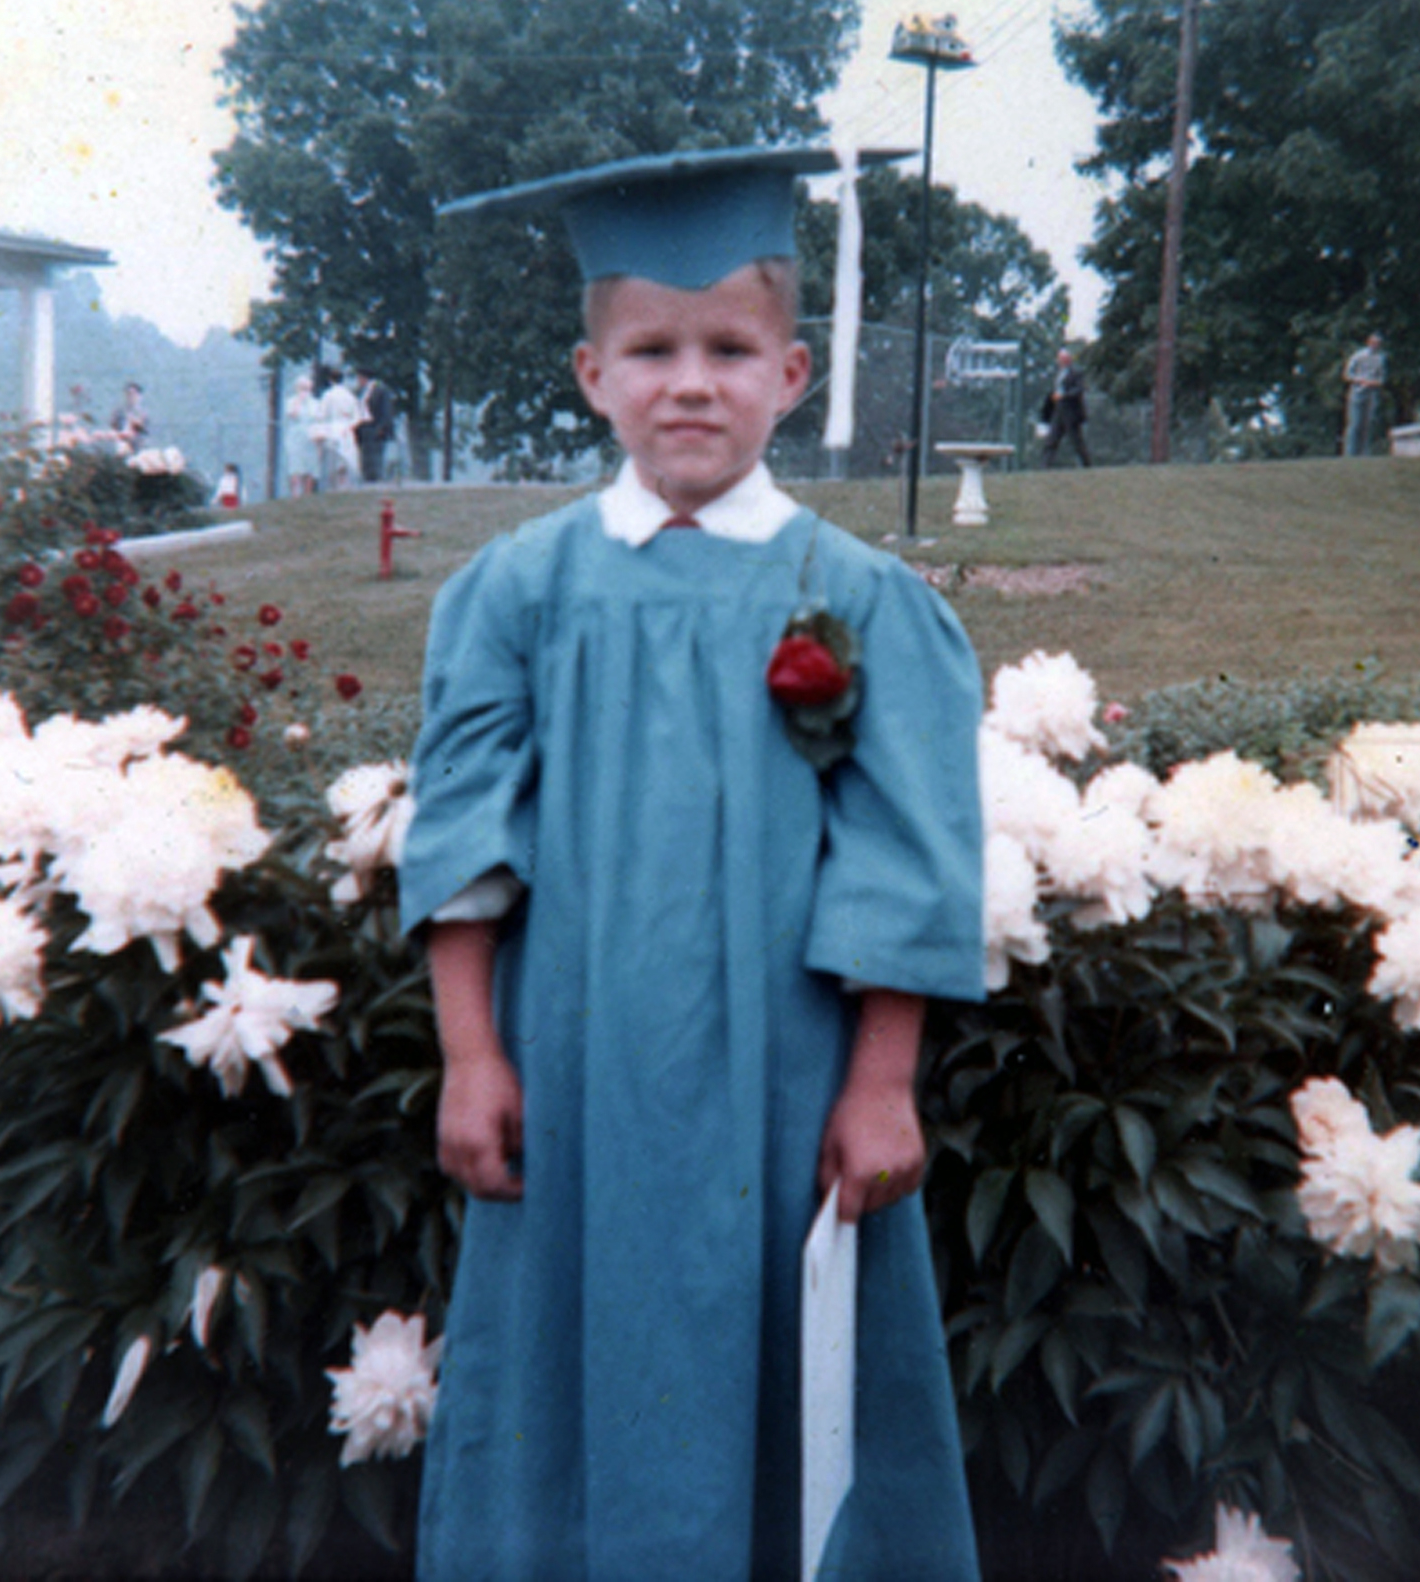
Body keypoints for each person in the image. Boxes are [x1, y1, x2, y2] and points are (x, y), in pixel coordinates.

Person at [399, 146, 985, 1582]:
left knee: (800, 1399)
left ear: (791, 375)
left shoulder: (851, 598)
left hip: (789, 1096)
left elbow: (903, 855)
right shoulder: (522, 589)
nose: (690, 384)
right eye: (651, 349)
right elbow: (467, 836)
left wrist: (883, 1081)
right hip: (574, 1085)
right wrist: (472, 1059)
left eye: (729, 349)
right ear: (592, 374)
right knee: (563, 1383)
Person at [1037, 345, 1091, 468]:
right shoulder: (1058, 374)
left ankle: (1087, 465)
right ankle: (1044, 467)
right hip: (1058, 412)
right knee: (1051, 440)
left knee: (1077, 442)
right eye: (1059, 358)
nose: (1060, 361)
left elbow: (1080, 389)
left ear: (1068, 359)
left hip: (1071, 413)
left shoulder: (1076, 373)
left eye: (1063, 358)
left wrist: (1064, 395)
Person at [312, 365, 363, 489]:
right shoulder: (350, 396)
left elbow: (321, 414)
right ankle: (345, 483)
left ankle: (335, 485)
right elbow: (358, 417)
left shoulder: (328, 395)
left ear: (330, 380)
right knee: (347, 458)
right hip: (347, 430)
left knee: (332, 459)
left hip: (333, 428)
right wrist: (350, 427)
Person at [1342, 332, 1388, 457]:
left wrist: (1373, 383)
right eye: (1373, 343)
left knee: (1369, 422)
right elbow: (1347, 375)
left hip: (1372, 392)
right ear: (1368, 342)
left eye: (1378, 344)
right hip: (1357, 392)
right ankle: (1350, 453)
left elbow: (1382, 378)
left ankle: (1365, 453)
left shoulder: (1381, 358)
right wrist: (1360, 380)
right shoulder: (1358, 356)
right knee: (1355, 423)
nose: (1375, 345)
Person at [354, 366, 397, 483]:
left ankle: (377, 479)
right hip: (364, 427)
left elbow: (386, 410)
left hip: (376, 427)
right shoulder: (360, 392)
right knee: (365, 457)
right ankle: (367, 478)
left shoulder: (380, 390)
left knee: (376, 456)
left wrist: (382, 427)